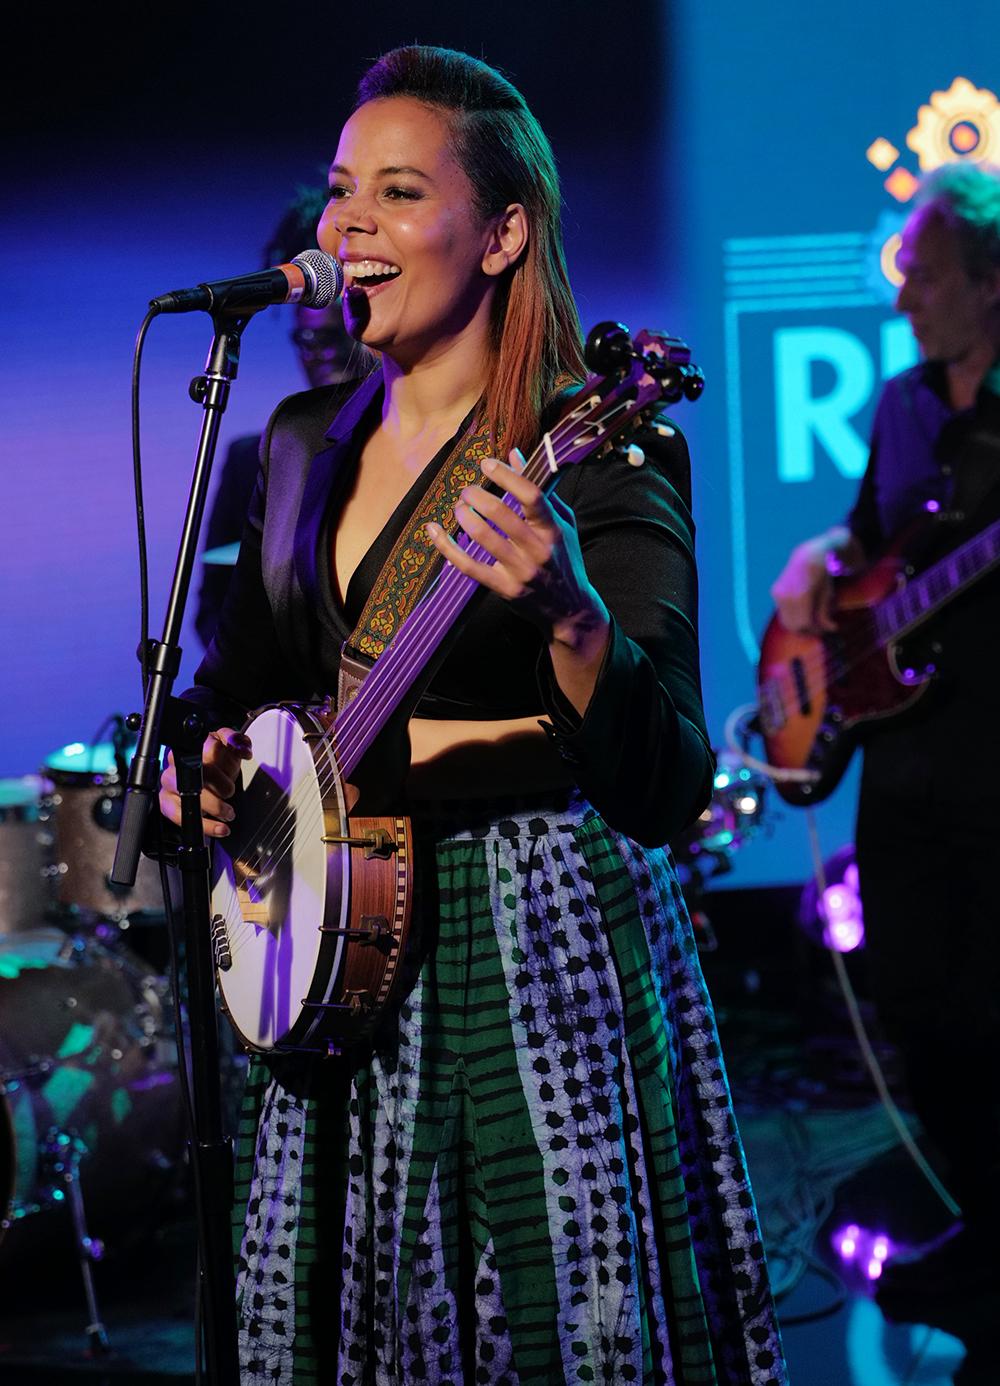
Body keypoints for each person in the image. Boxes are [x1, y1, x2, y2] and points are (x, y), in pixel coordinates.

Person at [161, 45, 786, 1385]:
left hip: (530, 939)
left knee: (538, 1323)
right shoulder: (298, 438)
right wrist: (206, 769)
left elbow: (667, 777)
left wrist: (569, 614)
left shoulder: (603, 439)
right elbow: (239, 690)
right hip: (325, 954)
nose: (349, 230)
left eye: (397, 193)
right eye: (342, 195)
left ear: (504, 234)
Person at [771, 163, 1000, 1321]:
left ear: (991, 282)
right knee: (916, 1002)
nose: (902, 299)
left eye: (921, 274)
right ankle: (975, 1227)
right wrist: (814, 560)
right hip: (901, 765)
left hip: (989, 755)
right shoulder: (906, 404)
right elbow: (868, 545)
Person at [194, 190, 371, 647]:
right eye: (306, 343)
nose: (320, 356)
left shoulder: (398, 443)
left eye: (333, 337)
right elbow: (212, 610)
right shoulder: (255, 456)